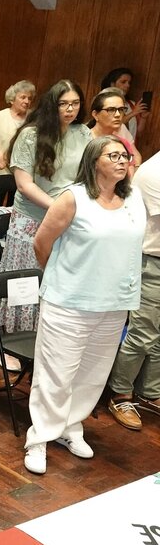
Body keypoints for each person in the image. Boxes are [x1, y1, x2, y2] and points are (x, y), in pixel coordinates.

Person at [22, 137, 145, 474]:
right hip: (69, 301)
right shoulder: (73, 197)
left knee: (92, 374)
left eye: (125, 155)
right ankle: (39, 438)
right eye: (113, 155)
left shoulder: (134, 199)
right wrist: (64, 277)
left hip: (114, 302)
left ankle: (70, 427)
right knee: (56, 374)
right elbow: (42, 243)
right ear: (94, 162)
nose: (122, 161)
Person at [0, 80, 93, 332]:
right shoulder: (31, 135)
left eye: (75, 103)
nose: (70, 109)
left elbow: (88, 176)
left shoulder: (83, 133)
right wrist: (58, 208)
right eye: (64, 104)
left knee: (58, 279)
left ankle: (48, 332)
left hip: (67, 218)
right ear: (52, 105)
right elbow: (24, 185)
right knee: (28, 282)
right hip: (33, 217)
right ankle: (15, 336)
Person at [107, 151, 160, 430]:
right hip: (152, 263)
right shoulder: (154, 172)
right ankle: (120, 394)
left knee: (157, 333)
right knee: (142, 333)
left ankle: (151, 391)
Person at [0, 80, 35, 206]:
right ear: (12, 99)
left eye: (29, 98)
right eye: (23, 97)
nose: (27, 101)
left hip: (23, 174)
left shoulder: (33, 118)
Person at [88, 88, 142, 169]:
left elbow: (133, 160)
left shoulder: (122, 142)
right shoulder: (84, 138)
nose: (118, 114)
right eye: (111, 110)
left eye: (121, 110)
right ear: (95, 114)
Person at [100, 67, 145, 138]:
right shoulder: (104, 102)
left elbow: (137, 133)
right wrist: (133, 113)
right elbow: (111, 125)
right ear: (112, 84)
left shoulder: (132, 104)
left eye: (129, 83)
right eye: (123, 82)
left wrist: (143, 118)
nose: (128, 85)